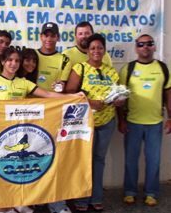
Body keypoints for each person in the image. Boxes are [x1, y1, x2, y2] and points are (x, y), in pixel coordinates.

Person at [0, 47, 82, 213]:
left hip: (20, 134)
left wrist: (73, 97)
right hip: (0, 137)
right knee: (2, 170)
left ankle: (18, 203)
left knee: (19, 169)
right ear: (3, 62)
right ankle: (2, 208)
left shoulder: (24, 83)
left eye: (17, 61)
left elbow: (48, 95)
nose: (13, 64)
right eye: (10, 60)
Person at [65, 33, 121, 212]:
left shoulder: (110, 71)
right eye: (93, 48)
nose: (96, 51)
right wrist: (89, 102)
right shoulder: (79, 68)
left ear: (104, 50)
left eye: (100, 48)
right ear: (87, 51)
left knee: (99, 160)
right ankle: (82, 200)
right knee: (84, 161)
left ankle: (96, 197)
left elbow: (118, 93)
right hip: (84, 124)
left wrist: (120, 100)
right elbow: (69, 94)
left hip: (107, 122)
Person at [118, 34, 171, 206]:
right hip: (133, 122)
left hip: (155, 123)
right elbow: (120, 97)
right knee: (131, 160)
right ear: (136, 48)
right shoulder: (128, 68)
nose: (145, 47)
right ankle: (130, 191)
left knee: (154, 161)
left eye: (149, 44)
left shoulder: (163, 68)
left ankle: (151, 192)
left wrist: (170, 118)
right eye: (141, 44)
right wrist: (122, 120)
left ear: (154, 47)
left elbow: (168, 94)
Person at [36, 22, 71, 92]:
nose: (49, 39)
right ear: (41, 37)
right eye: (46, 35)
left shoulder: (65, 60)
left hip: (54, 101)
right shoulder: (32, 55)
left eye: (52, 36)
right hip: (31, 101)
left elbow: (62, 86)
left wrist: (60, 86)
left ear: (58, 37)